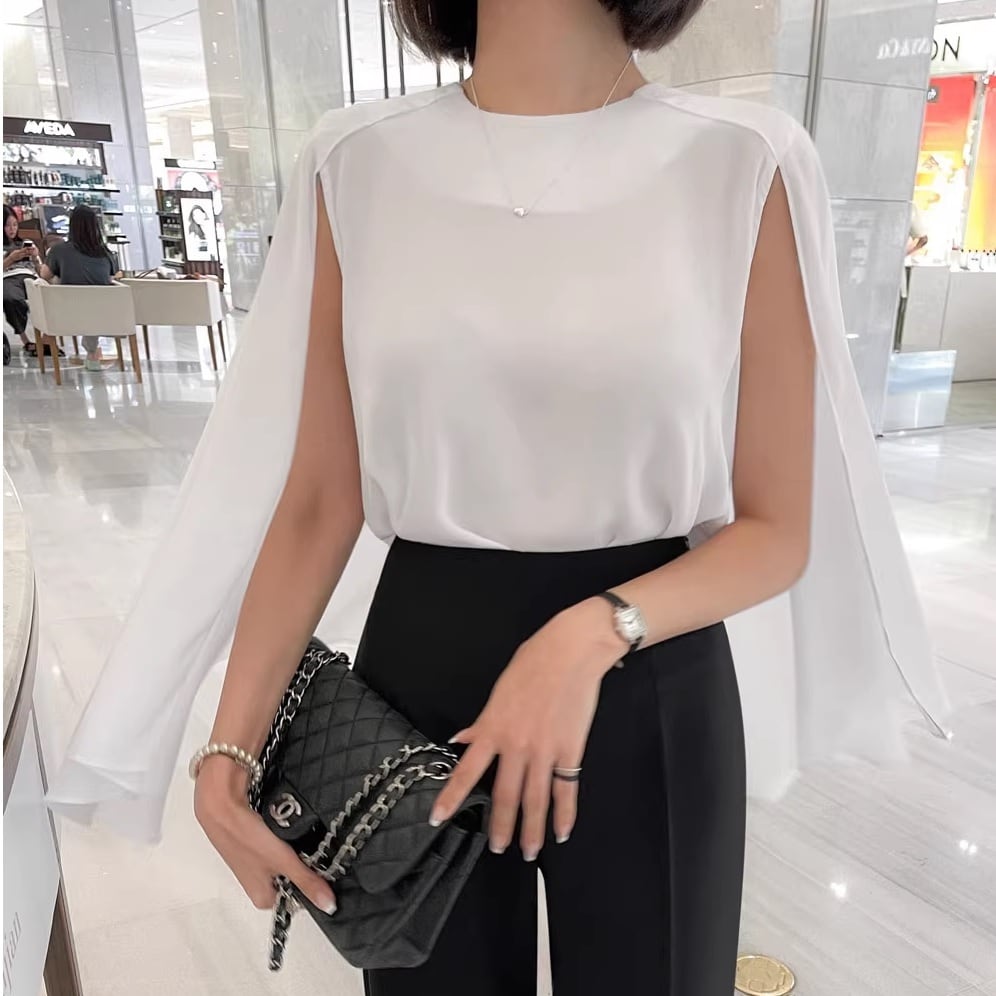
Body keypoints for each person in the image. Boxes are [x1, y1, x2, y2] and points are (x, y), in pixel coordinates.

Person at [47, 2, 949, 994]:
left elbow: (777, 529)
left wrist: (588, 635)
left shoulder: (746, 160)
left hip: (646, 671)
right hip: (416, 684)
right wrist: (231, 745)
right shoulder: (355, 163)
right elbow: (317, 499)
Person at [41, 204, 120, 371]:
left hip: (67, 312)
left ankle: (47, 338)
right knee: (95, 291)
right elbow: (112, 277)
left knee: (56, 280)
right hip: (103, 315)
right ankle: (92, 351)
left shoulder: (59, 250)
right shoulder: (106, 253)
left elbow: (44, 275)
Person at [3, 204, 44, 355]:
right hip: (8, 277)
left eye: (15, 224)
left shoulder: (25, 242)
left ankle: (46, 339)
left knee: (47, 297)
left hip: (30, 275)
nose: (12, 229)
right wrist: (10, 259)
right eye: (7, 225)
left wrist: (35, 257)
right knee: (10, 298)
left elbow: (41, 271)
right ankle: (26, 340)